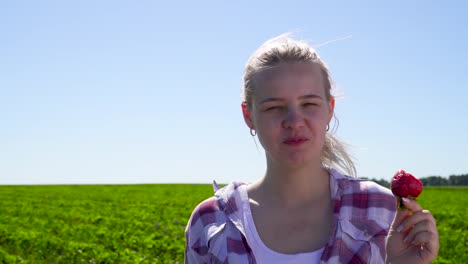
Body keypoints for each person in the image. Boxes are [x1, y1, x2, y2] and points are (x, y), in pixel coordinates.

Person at [184, 34, 439, 263]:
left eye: (309, 104)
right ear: (248, 115)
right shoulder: (211, 220)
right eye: (274, 107)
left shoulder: (382, 209)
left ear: (330, 108)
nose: (294, 122)